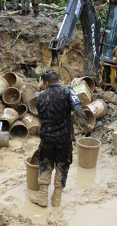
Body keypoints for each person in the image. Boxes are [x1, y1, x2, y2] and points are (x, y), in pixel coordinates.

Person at [29, 70, 89, 208]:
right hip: (64, 138)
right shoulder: (68, 92)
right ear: (58, 80)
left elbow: (43, 116)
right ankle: (56, 199)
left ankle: (42, 197)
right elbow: (79, 110)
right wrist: (84, 124)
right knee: (62, 165)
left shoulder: (41, 97)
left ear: (47, 83)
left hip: (47, 138)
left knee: (45, 163)